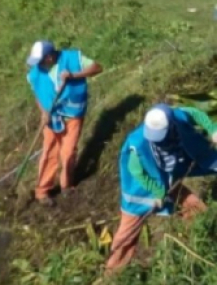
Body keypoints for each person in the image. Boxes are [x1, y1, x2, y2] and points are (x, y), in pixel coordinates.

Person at [105, 103, 217, 273]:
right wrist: (158, 192)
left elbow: (195, 113)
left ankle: (201, 242)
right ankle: (112, 272)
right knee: (128, 232)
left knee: (195, 210)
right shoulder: (138, 142)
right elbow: (137, 171)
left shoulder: (177, 116)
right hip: (140, 189)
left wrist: (213, 129)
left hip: (168, 177)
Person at [26, 40, 103, 206]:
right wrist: (43, 112)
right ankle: (42, 191)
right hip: (51, 117)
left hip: (73, 114)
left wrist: (74, 76)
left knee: (67, 152)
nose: (38, 64)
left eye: (40, 60)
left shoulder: (73, 58)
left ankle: (66, 186)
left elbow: (97, 68)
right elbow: (37, 95)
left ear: (48, 57)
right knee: (49, 152)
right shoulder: (35, 73)